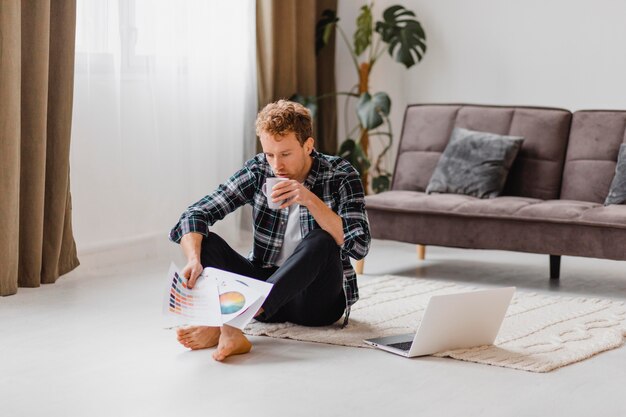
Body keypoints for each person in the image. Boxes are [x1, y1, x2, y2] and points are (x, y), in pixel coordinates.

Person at [169, 99, 371, 361]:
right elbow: (195, 214)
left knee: (322, 239)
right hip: (264, 289)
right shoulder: (258, 170)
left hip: (314, 304)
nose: (277, 165)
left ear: (308, 146)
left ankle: (229, 325)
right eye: (270, 154)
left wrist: (309, 198)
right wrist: (194, 259)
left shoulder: (341, 174)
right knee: (205, 241)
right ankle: (235, 321)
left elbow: (359, 245)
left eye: (285, 154)